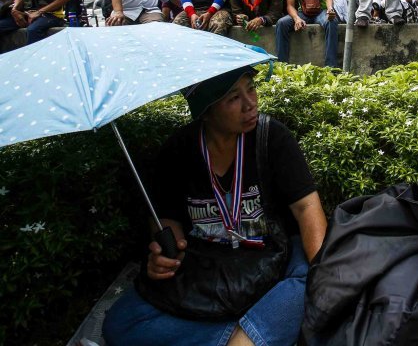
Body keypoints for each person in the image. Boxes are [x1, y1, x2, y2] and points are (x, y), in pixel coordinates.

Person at [102, 66, 327, 346]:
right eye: (233, 98)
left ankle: (246, 336)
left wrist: (322, 273)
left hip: (271, 258)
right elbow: (167, 219)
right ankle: (248, 335)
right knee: (121, 323)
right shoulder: (179, 150)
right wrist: (166, 254)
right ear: (205, 110)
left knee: (308, 277)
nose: (250, 103)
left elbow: (306, 208)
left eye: (251, 88)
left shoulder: (273, 138)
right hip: (209, 269)